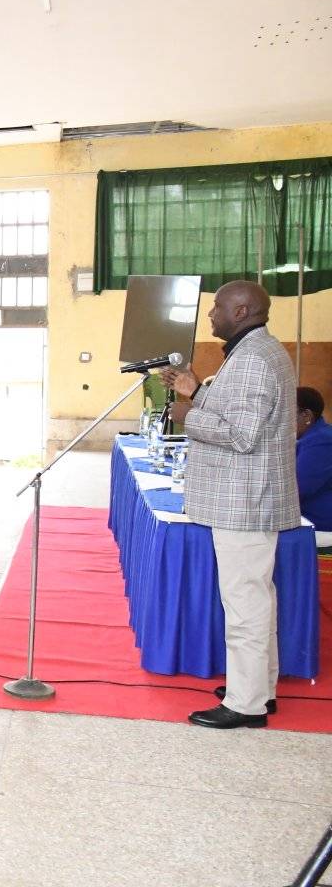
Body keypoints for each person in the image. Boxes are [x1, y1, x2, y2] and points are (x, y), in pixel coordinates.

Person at [161, 281, 299, 730]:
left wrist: (189, 417)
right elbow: (239, 414)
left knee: (244, 603)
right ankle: (259, 687)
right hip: (248, 498)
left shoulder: (255, 359)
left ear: (241, 310)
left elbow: (242, 436)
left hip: (245, 501)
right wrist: (196, 391)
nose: (210, 315)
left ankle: (246, 704)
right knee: (255, 598)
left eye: (217, 307)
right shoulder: (253, 352)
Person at [294, 386, 332, 536]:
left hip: (320, 527)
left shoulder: (322, 441)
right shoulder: (314, 438)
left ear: (306, 416)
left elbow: (297, 488)